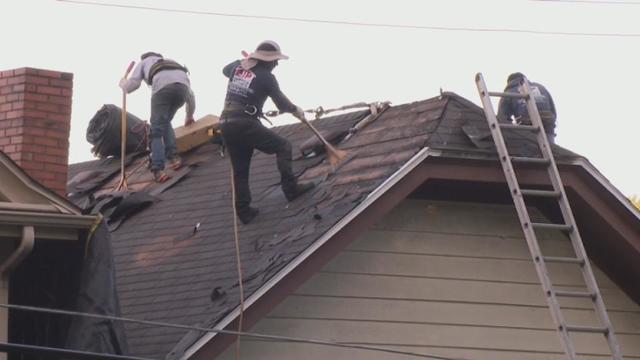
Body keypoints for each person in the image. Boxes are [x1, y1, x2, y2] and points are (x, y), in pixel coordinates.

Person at [220, 40, 315, 224]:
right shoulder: (266, 77)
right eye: (275, 61)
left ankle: (244, 212)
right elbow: (281, 104)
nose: (277, 64)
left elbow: (226, 69)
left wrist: (245, 61)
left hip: (226, 122)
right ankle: (291, 189)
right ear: (268, 61)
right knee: (283, 146)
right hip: (244, 122)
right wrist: (296, 110)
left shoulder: (236, 68)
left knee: (240, 170)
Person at [119, 52, 196, 183]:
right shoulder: (170, 62)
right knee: (164, 122)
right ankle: (174, 157)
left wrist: (123, 84)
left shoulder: (143, 62)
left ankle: (158, 169)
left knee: (156, 132)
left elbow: (131, 86)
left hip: (162, 91)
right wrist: (189, 116)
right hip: (182, 90)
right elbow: (191, 96)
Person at [497, 72, 557, 143]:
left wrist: (513, 133)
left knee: (530, 148)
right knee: (550, 148)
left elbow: (502, 118)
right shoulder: (540, 87)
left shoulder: (508, 92)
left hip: (527, 122)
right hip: (547, 121)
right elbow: (553, 110)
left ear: (509, 82)